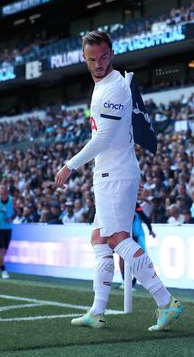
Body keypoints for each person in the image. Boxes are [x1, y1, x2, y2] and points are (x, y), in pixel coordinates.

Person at [55, 30, 183, 332]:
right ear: (84, 60)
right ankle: (97, 311)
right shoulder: (103, 85)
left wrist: (69, 165)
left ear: (111, 54)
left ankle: (166, 303)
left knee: (117, 239)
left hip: (114, 174)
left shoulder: (112, 88)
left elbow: (103, 137)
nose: (98, 64)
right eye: (91, 59)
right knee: (100, 239)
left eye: (103, 57)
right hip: (111, 173)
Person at [119, 201, 156, 289]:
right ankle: (125, 281)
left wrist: (150, 230)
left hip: (135, 235)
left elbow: (144, 216)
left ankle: (132, 283)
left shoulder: (135, 204)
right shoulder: (119, 203)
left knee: (137, 259)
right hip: (123, 235)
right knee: (121, 257)